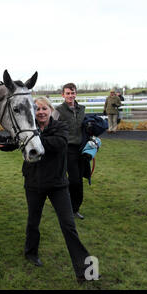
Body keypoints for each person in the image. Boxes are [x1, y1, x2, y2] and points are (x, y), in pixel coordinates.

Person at [22, 97, 93, 283]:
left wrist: (32, 139)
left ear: (50, 110)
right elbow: (12, 142)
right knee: (33, 221)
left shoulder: (60, 127)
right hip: (34, 184)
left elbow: (59, 144)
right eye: (37, 109)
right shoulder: (29, 129)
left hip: (58, 185)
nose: (41, 112)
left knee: (69, 225)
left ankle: (85, 269)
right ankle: (30, 252)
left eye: (44, 108)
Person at [52, 83, 86, 220]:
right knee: (74, 180)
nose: (70, 96)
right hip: (66, 148)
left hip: (81, 148)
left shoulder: (82, 109)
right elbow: (51, 125)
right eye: (68, 93)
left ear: (75, 93)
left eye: (73, 93)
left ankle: (75, 207)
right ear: (63, 95)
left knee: (79, 179)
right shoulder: (58, 110)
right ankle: (70, 208)